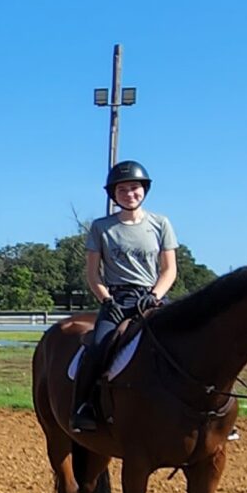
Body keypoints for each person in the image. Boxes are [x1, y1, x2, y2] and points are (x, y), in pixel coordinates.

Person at [71, 159, 178, 432]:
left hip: (153, 297)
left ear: (144, 190)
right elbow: (94, 274)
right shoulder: (101, 227)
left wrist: (154, 295)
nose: (129, 194)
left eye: (134, 188)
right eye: (122, 190)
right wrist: (106, 300)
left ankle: (209, 413)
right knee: (98, 347)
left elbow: (169, 270)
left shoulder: (161, 223)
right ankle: (84, 406)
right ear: (113, 195)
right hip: (117, 299)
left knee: (192, 340)